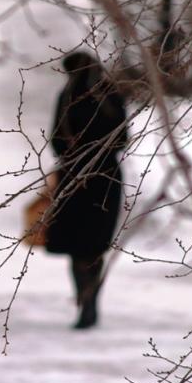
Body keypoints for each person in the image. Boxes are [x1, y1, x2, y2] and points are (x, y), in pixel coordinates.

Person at [46, 52, 128, 329]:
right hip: (106, 180)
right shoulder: (111, 96)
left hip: (73, 179)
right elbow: (123, 139)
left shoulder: (68, 97)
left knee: (76, 247)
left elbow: (56, 141)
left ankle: (83, 297)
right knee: (95, 247)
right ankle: (92, 300)